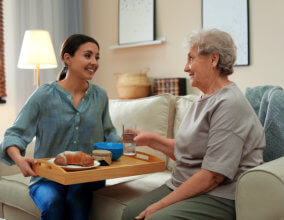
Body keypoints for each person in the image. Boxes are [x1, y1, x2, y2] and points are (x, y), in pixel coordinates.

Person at [122, 29, 265, 220]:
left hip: (220, 195)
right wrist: (151, 139)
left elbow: (213, 176)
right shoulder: (203, 98)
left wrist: (160, 205)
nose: (186, 68)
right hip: (184, 183)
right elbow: (190, 152)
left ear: (213, 60)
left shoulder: (230, 104)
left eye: (191, 59)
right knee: (130, 212)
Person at [0, 34, 120, 220]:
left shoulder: (100, 96)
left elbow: (109, 133)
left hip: (87, 177)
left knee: (77, 199)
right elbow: (14, 134)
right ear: (67, 58)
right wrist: (19, 160)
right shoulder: (43, 95)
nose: (94, 62)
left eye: (97, 57)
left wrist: (125, 147)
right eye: (88, 55)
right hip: (48, 178)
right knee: (53, 203)